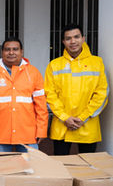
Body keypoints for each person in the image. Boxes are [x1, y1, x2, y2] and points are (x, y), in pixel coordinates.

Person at [45, 23, 108, 155]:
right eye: (68, 38)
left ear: (83, 39)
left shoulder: (97, 63)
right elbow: (49, 94)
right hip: (62, 125)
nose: (73, 41)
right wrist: (65, 117)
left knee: (88, 167)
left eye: (76, 37)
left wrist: (83, 117)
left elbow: (102, 94)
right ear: (63, 42)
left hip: (87, 124)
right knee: (62, 166)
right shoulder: (54, 65)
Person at [0, 37, 48, 152]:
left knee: (29, 168)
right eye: (7, 49)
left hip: (27, 134)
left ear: (22, 52)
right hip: (0, 134)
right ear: (2, 52)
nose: (11, 52)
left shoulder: (33, 73)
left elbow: (41, 106)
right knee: (1, 168)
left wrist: (41, 130)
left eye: (15, 49)